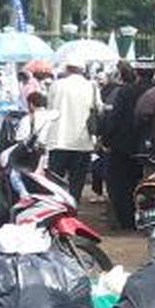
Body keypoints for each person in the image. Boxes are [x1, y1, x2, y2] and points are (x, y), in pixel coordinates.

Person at [102, 62, 153, 230]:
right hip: (151, 148)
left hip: (124, 147)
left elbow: (115, 119)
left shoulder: (125, 92)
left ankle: (127, 221)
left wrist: (107, 140)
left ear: (137, 73)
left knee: (122, 186)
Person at [46, 60, 101, 202]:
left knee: (54, 183)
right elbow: (98, 109)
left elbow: (49, 109)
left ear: (67, 69)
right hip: (82, 141)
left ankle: (56, 211)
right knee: (77, 183)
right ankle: (73, 207)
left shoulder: (56, 86)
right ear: (82, 70)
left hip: (58, 140)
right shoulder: (91, 86)